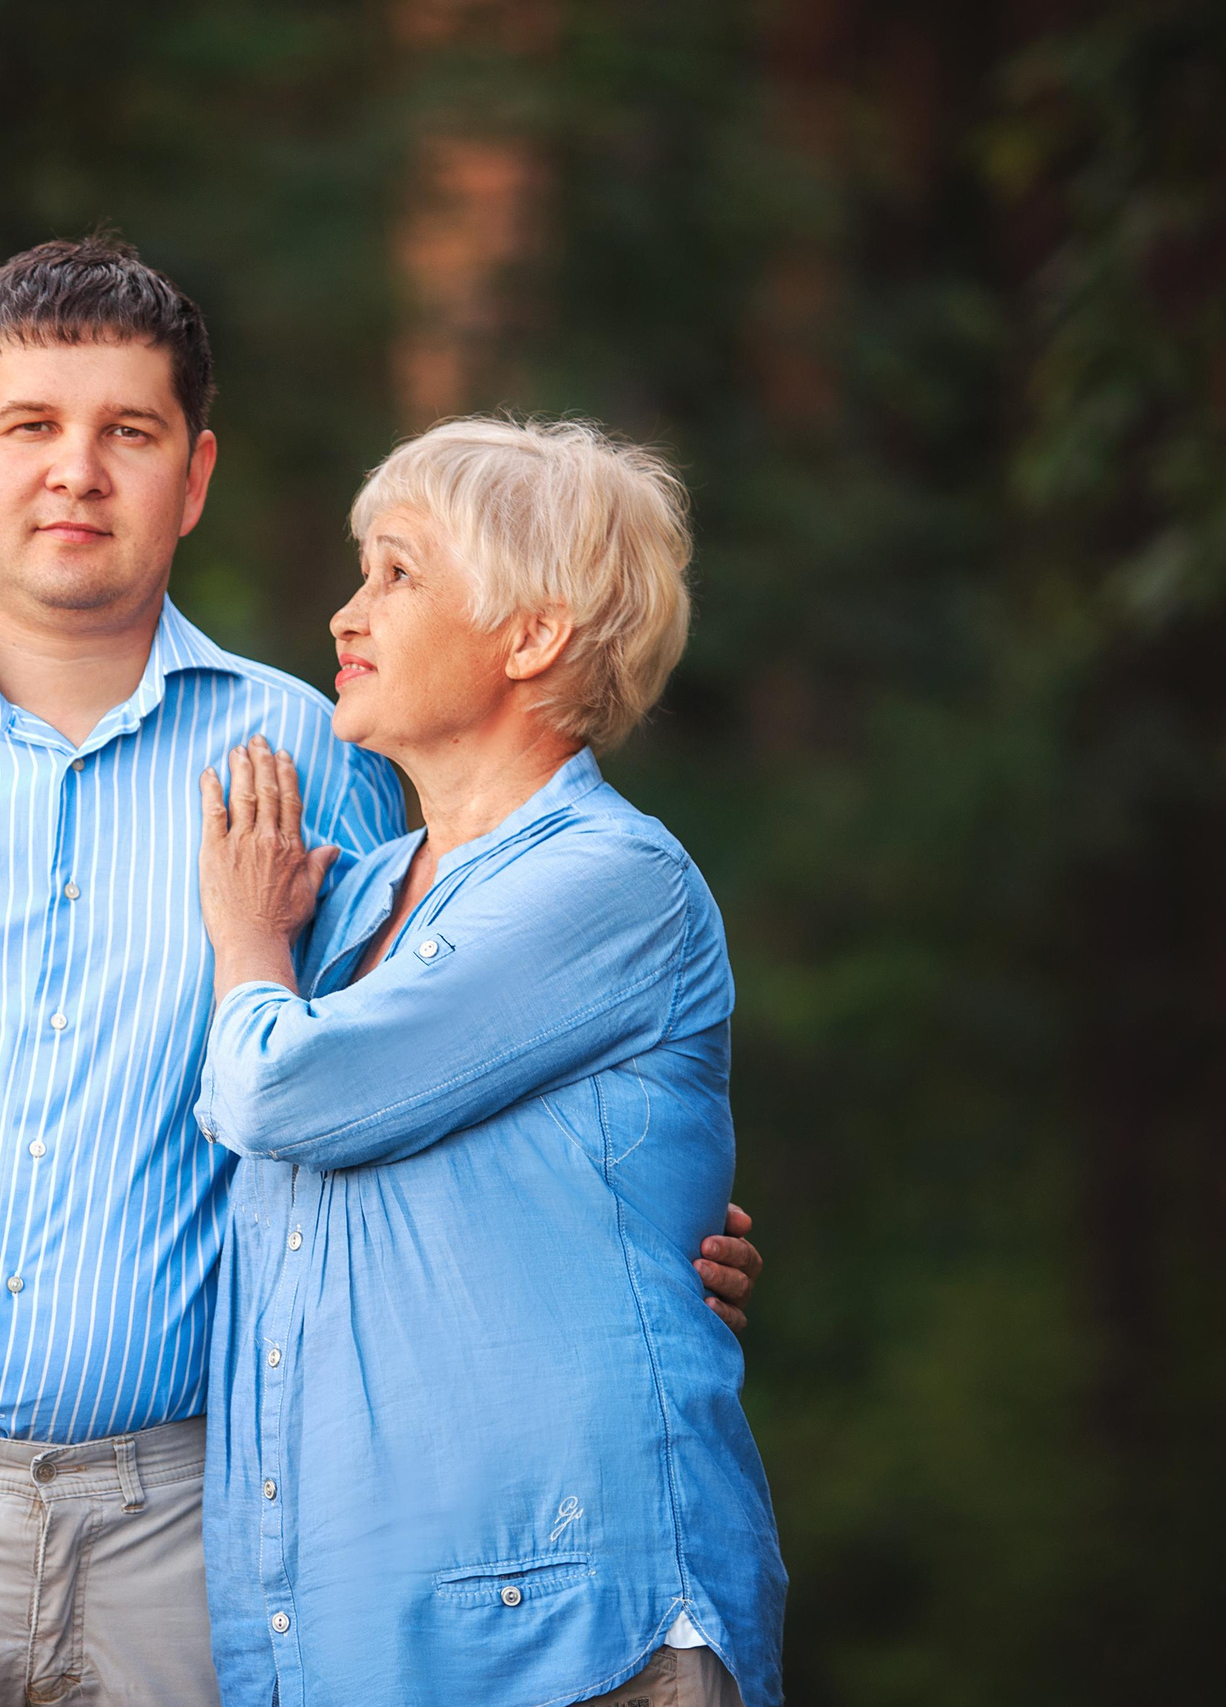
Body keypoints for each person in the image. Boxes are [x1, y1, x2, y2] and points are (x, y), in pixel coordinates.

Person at [0, 238, 766, 1706]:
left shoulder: (321, 767)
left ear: (194, 476)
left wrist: (650, 1246)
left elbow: (436, 1074)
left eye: (128, 433)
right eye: (32, 426)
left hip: (202, 1538)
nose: (76, 472)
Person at [193, 417, 788, 1707]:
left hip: (568, 1645)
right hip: (356, 1644)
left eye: (398, 574)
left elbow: (282, 1091)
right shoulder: (350, 905)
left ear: (533, 636)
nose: (348, 615)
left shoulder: (611, 883)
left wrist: (243, 941)